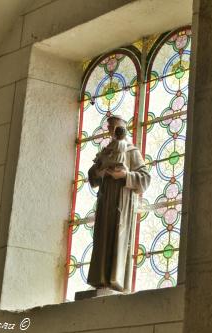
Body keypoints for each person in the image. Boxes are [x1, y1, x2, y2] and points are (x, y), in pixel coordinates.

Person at [87, 115, 151, 292]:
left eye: (115, 127)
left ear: (123, 129)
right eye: (109, 127)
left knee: (117, 238)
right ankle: (100, 279)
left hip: (121, 204)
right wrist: (100, 171)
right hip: (105, 202)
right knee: (102, 237)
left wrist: (125, 175)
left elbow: (145, 178)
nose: (112, 131)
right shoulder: (105, 152)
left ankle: (115, 281)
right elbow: (92, 177)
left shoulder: (131, 151)